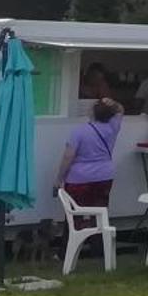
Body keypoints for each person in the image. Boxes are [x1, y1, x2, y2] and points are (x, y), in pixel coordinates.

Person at [55, 96, 124, 236]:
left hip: (78, 178)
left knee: (74, 214)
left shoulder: (79, 131)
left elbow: (68, 156)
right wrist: (113, 102)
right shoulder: (112, 127)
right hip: (104, 175)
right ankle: (98, 246)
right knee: (100, 212)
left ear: (92, 113)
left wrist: (59, 178)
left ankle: (70, 246)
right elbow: (121, 110)